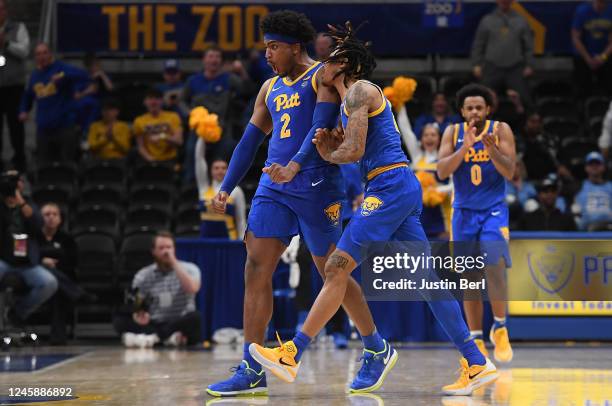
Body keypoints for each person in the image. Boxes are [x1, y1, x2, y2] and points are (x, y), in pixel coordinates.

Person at [250, 23, 498, 397]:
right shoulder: (356, 97)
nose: (322, 66)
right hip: (396, 186)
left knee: (336, 267)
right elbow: (358, 149)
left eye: (329, 61)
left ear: (344, 63)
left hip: (389, 188)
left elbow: (351, 151)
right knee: (427, 281)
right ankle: (476, 361)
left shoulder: (359, 92)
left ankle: (293, 352)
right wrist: (336, 146)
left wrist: (328, 152)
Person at [207, 11, 391, 397]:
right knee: (256, 265)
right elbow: (248, 142)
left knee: (333, 273)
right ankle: (251, 366)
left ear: (295, 47)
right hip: (274, 186)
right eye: (266, 48)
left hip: (317, 185)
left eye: (274, 47)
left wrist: (295, 166)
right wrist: (226, 186)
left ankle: (375, 345)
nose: (268, 55)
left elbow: (319, 128)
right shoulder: (268, 87)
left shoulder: (321, 75)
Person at [437, 84, 516, 365]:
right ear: (461, 111)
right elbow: (442, 171)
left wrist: (492, 150)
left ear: (488, 110)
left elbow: (510, 171)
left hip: (493, 210)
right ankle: (477, 337)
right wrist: (465, 150)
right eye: (469, 107)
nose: (474, 112)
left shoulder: (501, 129)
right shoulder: (453, 132)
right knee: (469, 276)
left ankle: (500, 327)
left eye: (479, 107)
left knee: (493, 264)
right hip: (463, 213)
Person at [112, 231, 202, 348]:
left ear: (174, 249)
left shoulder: (190, 268)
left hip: (179, 321)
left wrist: (174, 263)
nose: (166, 252)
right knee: (119, 320)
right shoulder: (143, 274)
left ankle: (153, 338)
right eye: (161, 248)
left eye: (169, 247)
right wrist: (138, 314)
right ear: (153, 251)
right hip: (155, 321)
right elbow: (136, 301)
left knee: (196, 318)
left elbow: (192, 288)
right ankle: (167, 338)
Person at [0, 172, 57, 325]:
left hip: (26, 263)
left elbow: (38, 224)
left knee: (49, 282)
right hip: (3, 260)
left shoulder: (28, 203)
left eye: (15, 181)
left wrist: (20, 201)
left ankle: (17, 313)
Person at [19, 43, 89, 163]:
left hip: (64, 127)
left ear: (50, 54)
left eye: (45, 52)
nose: (42, 56)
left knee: (67, 164)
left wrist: (64, 76)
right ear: (35, 57)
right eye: (38, 54)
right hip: (43, 129)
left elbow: (83, 75)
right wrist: (23, 110)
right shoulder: (35, 76)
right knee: (44, 165)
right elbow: (28, 96)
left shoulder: (61, 68)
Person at [37, 203, 95, 345]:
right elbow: (26, 258)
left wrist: (54, 264)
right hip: (36, 279)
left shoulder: (66, 239)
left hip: (61, 278)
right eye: (47, 214)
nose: (51, 217)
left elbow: (73, 261)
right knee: (49, 275)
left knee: (58, 290)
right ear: (39, 218)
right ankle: (78, 293)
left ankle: (57, 338)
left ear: (60, 219)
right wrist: (42, 262)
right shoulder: (34, 237)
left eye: (54, 214)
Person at [398, 107, 452, 240]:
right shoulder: (417, 158)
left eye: (433, 135)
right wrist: (400, 106)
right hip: (418, 220)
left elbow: (455, 185)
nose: (429, 138)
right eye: (426, 135)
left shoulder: (446, 159)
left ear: (439, 139)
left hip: (442, 221)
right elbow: (406, 131)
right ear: (421, 139)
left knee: (443, 258)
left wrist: (436, 190)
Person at [471, 0, 534, 110]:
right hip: (491, 67)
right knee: (483, 99)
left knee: (525, 100)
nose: (504, 1)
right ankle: (482, 126)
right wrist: (476, 64)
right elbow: (479, 44)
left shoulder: (521, 20)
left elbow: (528, 46)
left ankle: (526, 125)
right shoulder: (487, 20)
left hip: (515, 67)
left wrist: (530, 65)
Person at [195, 139, 246, 239]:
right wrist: (203, 135)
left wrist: (241, 243)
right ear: (210, 171)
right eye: (216, 168)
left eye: (223, 168)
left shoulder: (236, 191)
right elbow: (199, 158)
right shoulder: (204, 189)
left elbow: (241, 220)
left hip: (229, 240)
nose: (220, 171)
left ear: (228, 170)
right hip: (205, 239)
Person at [0, 0, 30, 172]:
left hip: (14, 86)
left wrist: (6, 44)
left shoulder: (18, 28)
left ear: (5, 11)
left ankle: (19, 160)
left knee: (15, 126)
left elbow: (25, 51)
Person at [571, 0, 612, 96]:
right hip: (584, 55)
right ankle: (581, 103)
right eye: (599, 2)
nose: (600, 5)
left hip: (605, 55)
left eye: (603, 3)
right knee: (582, 83)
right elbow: (575, 38)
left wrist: (602, 57)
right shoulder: (582, 11)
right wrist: (588, 59)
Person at [133, 88, 183, 163]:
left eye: (157, 98)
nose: (153, 102)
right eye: (150, 98)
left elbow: (179, 141)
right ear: (145, 102)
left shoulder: (173, 117)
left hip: (169, 160)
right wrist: (151, 159)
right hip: (149, 160)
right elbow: (141, 146)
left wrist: (162, 136)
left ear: (162, 101)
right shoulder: (139, 121)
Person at [574, 151, 612, 230]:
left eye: (597, 164)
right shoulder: (578, 187)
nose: (594, 166)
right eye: (591, 164)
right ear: (586, 168)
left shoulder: (610, 187)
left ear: (603, 167)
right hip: (586, 231)